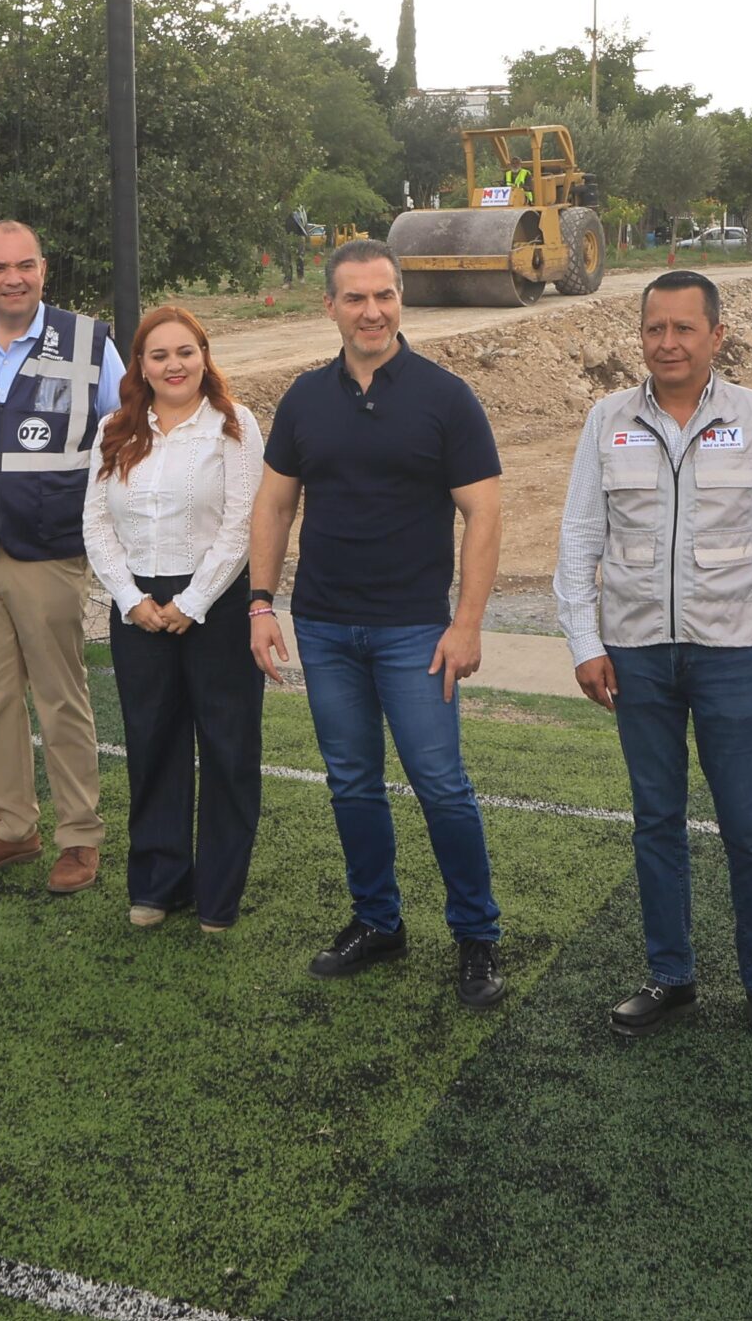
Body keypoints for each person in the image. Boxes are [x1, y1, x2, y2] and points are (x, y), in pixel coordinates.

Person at [554, 269, 752, 1052]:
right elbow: (579, 535)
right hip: (635, 653)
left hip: (732, 652)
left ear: (716, 335)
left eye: (683, 328)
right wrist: (585, 641)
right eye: (654, 328)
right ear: (641, 335)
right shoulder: (607, 420)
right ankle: (670, 974)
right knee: (656, 821)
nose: (667, 342)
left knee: (749, 826)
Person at [248, 238, 509, 1008]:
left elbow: (484, 513)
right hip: (325, 626)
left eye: (385, 295)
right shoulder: (304, 398)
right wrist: (261, 602)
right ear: (330, 305)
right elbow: (274, 504)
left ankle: (476, 935)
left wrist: (467, 623)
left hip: (416, 632)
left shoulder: (446, 397)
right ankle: (377, 920)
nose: (373, 311)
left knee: (441, 784)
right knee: (353, 782)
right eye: (356, 298)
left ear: (400, 299)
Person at [0, 220, 128, 893]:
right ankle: (11, 828)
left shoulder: (88, 341)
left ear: (44, 270)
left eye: (25, 266)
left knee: (60, 698)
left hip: (49, 550)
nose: (13, 278)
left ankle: (79, 836)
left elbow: (127, 432)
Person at [84, 307, 265, 932]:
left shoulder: (234, 424)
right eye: (158, 355)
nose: (173, 365)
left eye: (185, 352)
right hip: (138, 609)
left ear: (204, 355)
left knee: (228, 748)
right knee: (153, 744)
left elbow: (243, 524)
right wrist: (130, 598)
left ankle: (218, 895)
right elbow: (96, 524)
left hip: (217, 604)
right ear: (140, 365)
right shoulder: (115, 428)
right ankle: (158, 884)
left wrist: (193, 602)